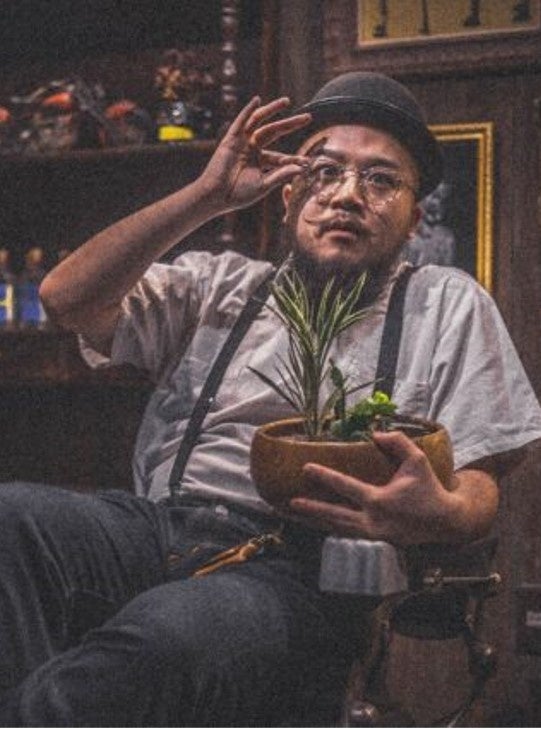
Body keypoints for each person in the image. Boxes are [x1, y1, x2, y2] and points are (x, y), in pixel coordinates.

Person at [1, 71, 540, 726]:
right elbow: (65, 298)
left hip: (303, 567)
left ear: (413, 217)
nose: (346, 194)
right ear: (288, 196)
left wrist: (439, 512)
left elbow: (480, 488)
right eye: (323, 171)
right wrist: (205, 197)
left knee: (166, 635)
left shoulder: (443, 304)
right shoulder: (220, 285)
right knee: (12, 516)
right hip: (157, 526)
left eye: (380, 179)